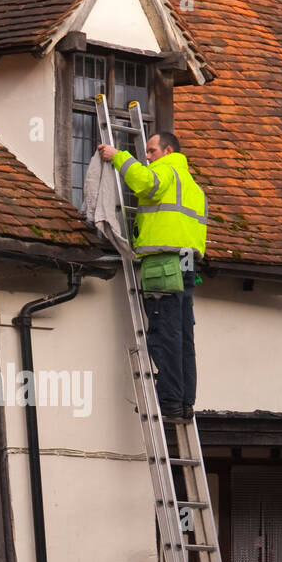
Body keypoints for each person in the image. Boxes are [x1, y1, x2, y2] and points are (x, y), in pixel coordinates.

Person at [98, 130, 206, 422]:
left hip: (163, 261)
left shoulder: (166, 171)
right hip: (186, 263)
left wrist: (118, 156)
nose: (147, 157)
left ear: (168, 151)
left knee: (164, 333)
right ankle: (184, 403)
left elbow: (145, 184)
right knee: (183, 337)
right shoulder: (193, 186)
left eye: (151, 151)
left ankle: (169, 402)